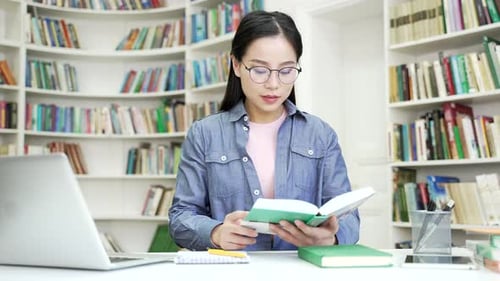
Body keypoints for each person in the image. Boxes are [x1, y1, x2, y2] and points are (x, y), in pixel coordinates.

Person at [168, 10, 359, 251]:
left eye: (287, 70)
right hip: (233, 272)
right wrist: (215, 233)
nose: (274, 84)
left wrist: (331, 237)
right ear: (236, 65)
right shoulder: (205, 134)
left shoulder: (320, 135)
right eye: (260, 70)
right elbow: (180, 216)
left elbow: (349, 217)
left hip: (301, 270)